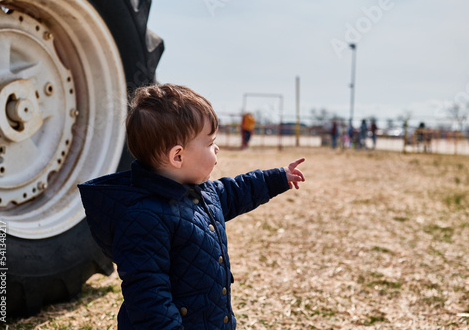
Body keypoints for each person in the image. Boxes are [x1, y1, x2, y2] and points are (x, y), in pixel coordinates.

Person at [77, 84, 305, 330]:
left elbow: (236, 191)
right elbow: (149, 297)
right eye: (209, 143)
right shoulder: (143, 218)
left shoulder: (201, 192)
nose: (216, 148)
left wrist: (277, 177)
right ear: (178, 156)